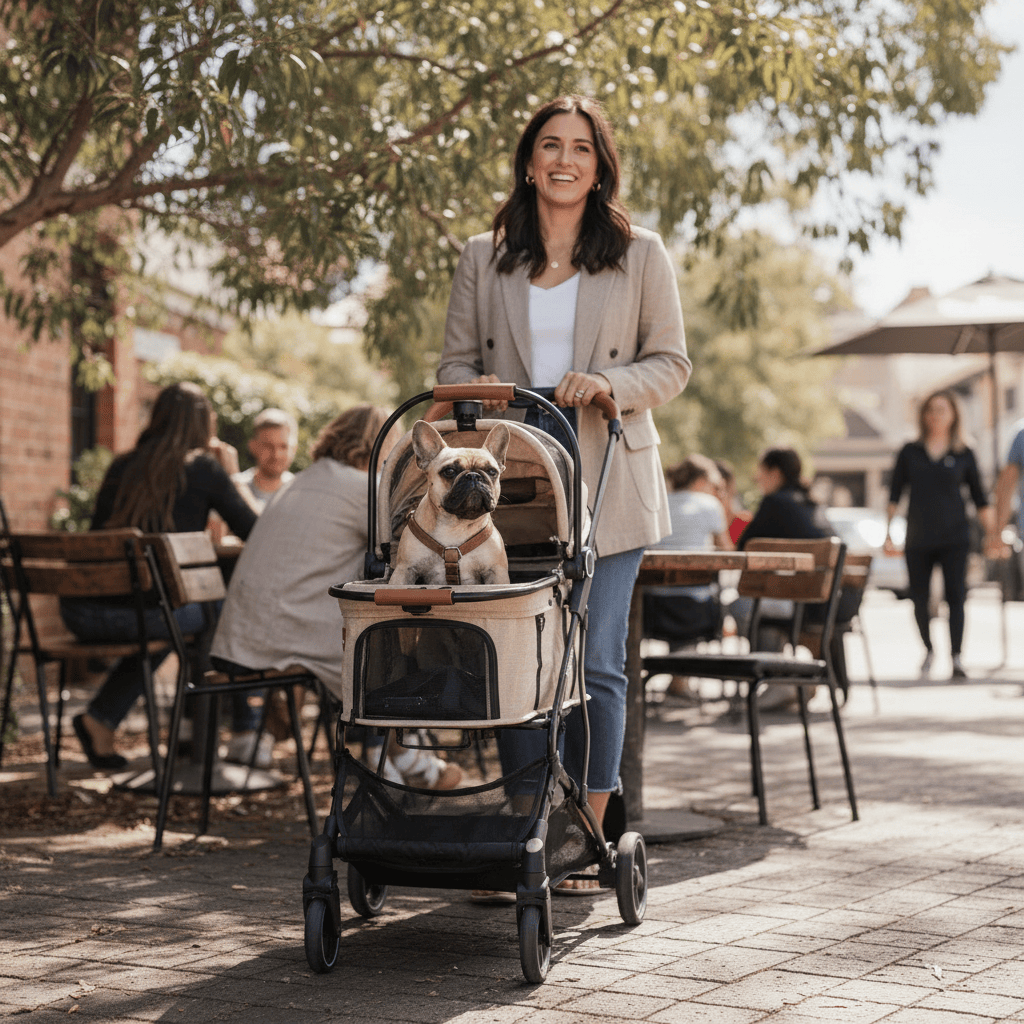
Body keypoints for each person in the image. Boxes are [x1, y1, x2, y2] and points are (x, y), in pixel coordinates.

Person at [438, 94, 690, 893]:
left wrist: (609, 381)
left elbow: (672, 364)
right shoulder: (484, 255)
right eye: (551, 144)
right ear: (528, 160)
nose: (564, 159)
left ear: (599, 165)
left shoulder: (640, 253)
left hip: (610, 476)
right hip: (515, 485)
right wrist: (485, 393)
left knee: (600, 661)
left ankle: (591, 831)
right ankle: (527, 823)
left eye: (581, 147)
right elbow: (447, 372)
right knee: (519, 656)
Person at [210, 405, 463, 789]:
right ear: (384, 444)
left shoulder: (305, 479)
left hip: (244, 632)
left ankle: (395, 759)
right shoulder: (364, 488)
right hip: (286, 634)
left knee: (379, 638)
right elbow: (408, 550)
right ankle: (405, 762)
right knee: (392, 646)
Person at [62, 382, 257, 770]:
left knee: (172, 620)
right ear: (203, 425)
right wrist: (231, 473)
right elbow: (256, 530)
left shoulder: (122, 465)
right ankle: (218, 738)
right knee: (207, 612)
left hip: (81, 611)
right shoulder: (203, 468)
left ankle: (101, 720)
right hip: (143, 613)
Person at [885, 390, 998, 680]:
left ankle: (957, 656)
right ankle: (928, 649)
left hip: (955, 537)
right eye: (931, 410)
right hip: (918, 537)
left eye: (942, 410)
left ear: (953, 415)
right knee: (919, 598)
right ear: (923, 415)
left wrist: (993, 535)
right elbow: (895, 494)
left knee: (956, 596)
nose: (936, 415)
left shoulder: (964, 452)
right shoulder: (910, 451)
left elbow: (980, 499)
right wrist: (888, 534)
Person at [645, 456, 731, 698]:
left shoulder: (658, 503)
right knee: (697, 590)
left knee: (678, 589)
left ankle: (678, 680)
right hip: (694, 610)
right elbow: (728, 552)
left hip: (653, 607)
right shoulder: (709, 505)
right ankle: (680, 680)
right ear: (702, 480)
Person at [233, 407, 298, 511]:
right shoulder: (233, 490)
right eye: (268, 446)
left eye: (283, 446)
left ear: (294, 449)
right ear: (253, 446)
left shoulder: (301, 493)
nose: (276, 454)